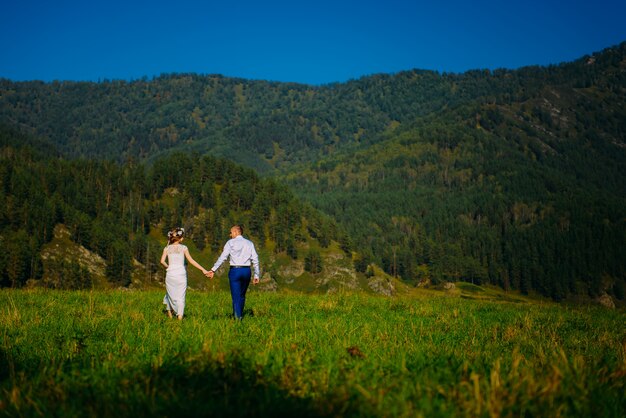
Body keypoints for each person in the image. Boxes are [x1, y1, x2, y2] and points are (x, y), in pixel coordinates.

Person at [206, 225, 260, 320]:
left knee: (235, 295)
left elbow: (223, 257)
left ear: (235, 232)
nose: (230, 235)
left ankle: (237, 318)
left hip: (235, 270)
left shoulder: (230, 243)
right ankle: (240, 314)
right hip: (246, 271)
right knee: (242, 295)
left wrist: (213, 269)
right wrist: (256, 274)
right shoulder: (249, 243)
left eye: (231, 232)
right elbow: (255, 259)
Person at [160, 227, 209, 320]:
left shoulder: (166, 248)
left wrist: (168, 267)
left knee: (170, 295)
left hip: (170, 274)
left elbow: (162, 261)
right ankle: (179, 318)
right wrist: (203, 269)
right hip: (181, 274)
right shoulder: (184, 248)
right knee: (181, 296)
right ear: (180, 238)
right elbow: (191, 261)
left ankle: (170, 316)